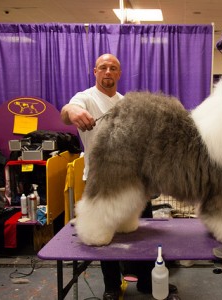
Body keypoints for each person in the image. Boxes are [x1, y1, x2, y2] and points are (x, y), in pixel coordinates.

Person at [61, 54, 177, 300]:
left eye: (113, 68)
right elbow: (66, 111)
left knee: (142, 233)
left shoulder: (127, 104)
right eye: (103, 67)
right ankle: (111, 286)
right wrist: (72, 111)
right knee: (105, 236)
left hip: (134, 182)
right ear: (95, 71)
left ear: (119, 74)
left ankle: (147, 281)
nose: (108, 72)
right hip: (100, 180)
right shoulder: (85, 98)